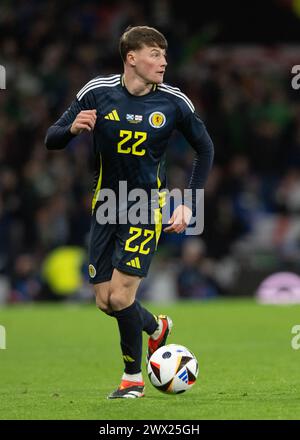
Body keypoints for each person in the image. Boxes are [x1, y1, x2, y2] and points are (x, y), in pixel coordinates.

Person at [45, 25, 214, 399]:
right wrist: (72, 128)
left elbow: (206, 150)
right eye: (155, 54)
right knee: (105, 301)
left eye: (165, 55)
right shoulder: (97, 92)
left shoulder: (174, 102)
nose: (164, 62)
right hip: (105, 206)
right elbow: (51, 138)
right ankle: (156, 328)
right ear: (131, 58)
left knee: (121, 297)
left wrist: (188, 202)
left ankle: (132, 380)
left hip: (145, 206)